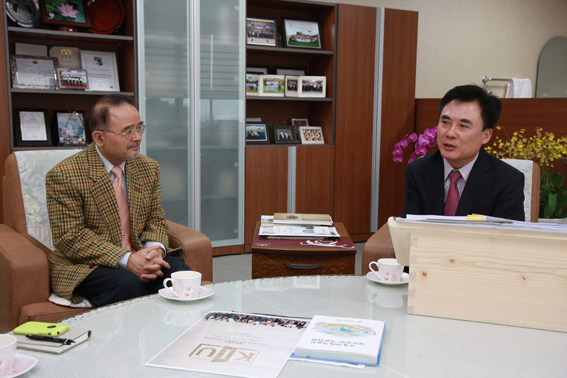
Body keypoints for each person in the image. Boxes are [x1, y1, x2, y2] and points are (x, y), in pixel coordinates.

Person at [46, 94, 191, 306]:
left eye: (139, 128)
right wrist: (127, 260)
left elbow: (156, 219)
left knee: (182, 275)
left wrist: (154, 251)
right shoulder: (64, 175)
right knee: (127, 284)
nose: (138, 137)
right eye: (127, 131)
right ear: (99, 138)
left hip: (140, 252)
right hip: (89, 264)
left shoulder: (148, 167)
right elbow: (71, 238)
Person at [402, 84, 525, 221]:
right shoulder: (418, 172)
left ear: (486, 135)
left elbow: (508, 238)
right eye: (445, 122)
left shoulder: (507, 181)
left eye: (463, 126)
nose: (450, 133)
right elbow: (410, 228)